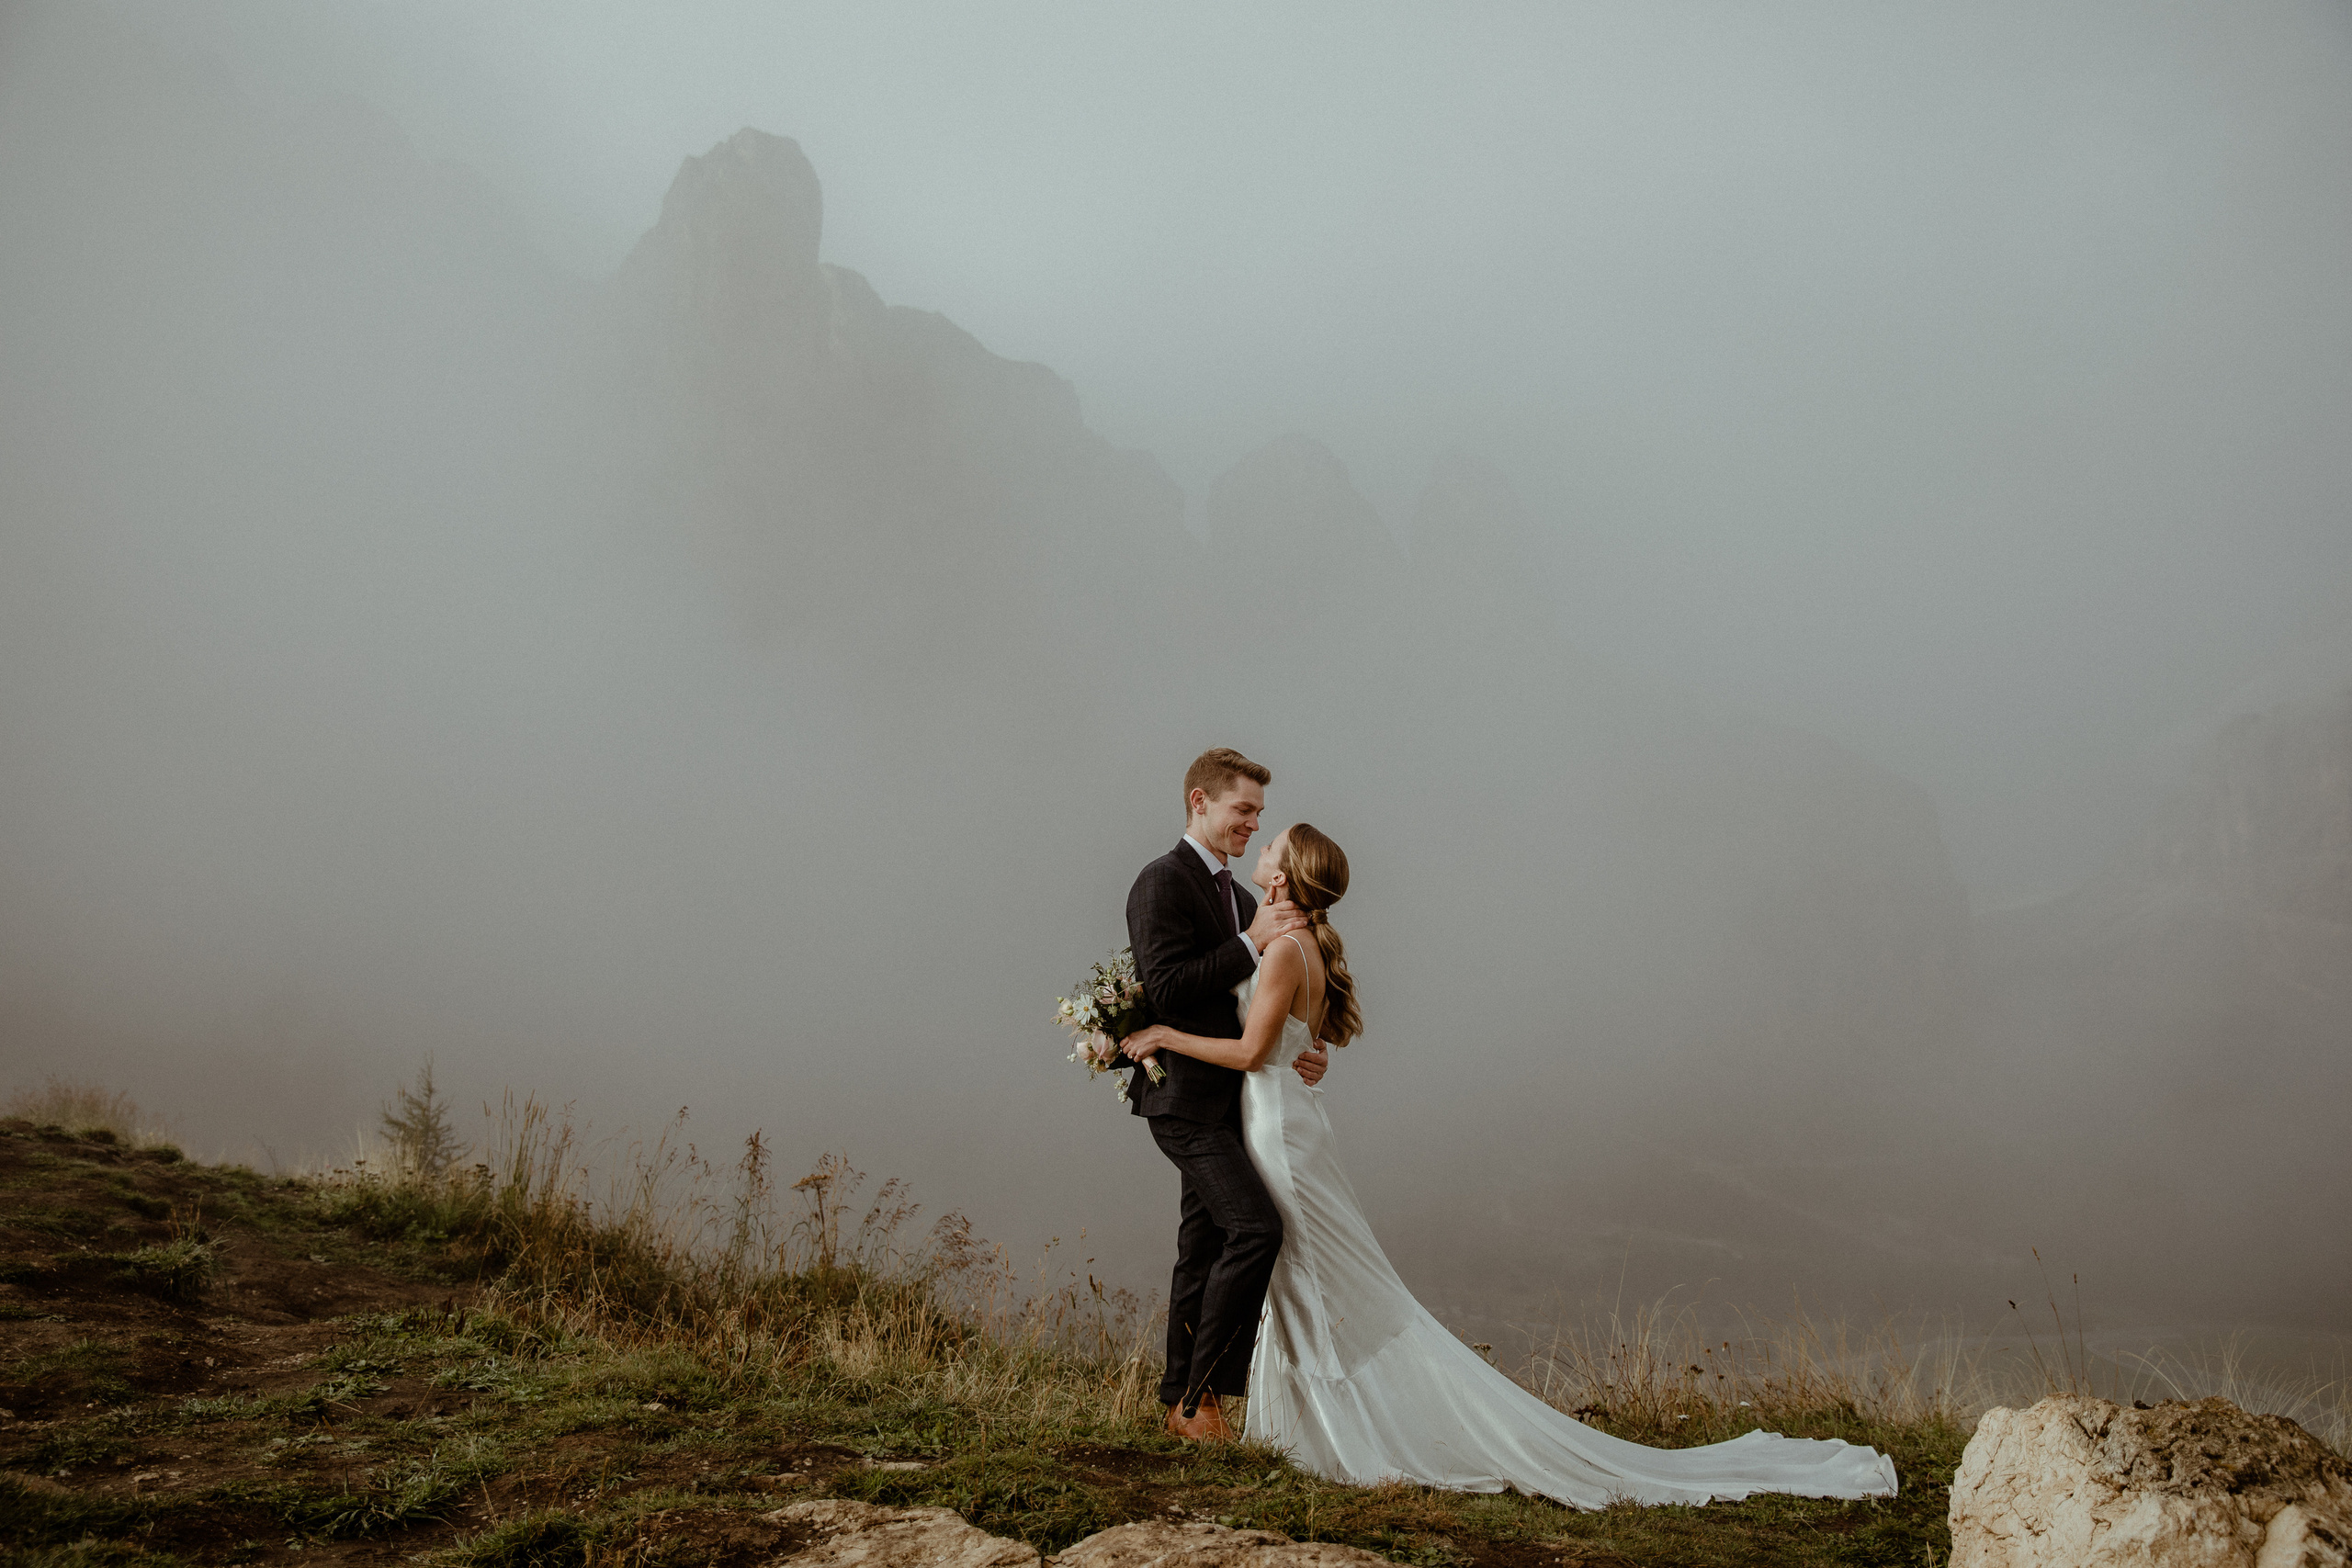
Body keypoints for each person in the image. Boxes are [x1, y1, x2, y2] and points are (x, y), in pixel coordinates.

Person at [1121, 822, 1900, 1508]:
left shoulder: (1286, 946)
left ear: (1286, 874)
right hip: (1282, 1118)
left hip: (1280, 1129)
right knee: (1302, 1272)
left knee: (1316, 1272)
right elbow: (1280, 1034)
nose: (1260, 843)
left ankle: (1327, 1424)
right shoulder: (1295, 939)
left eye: (1273, 841)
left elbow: (1257, 1049)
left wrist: (1163, 1034)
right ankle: (1266, 1416)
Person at [1125, 748, 1329, 1442]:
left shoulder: (1244, 897)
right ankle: (1202, 1398)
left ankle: (1179, 1401)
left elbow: (1259, 1007)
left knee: (1201, 1243)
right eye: (1243, 810)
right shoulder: (1161, 882)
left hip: (1238, 1101)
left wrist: (1304, 1044)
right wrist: (1247, 943)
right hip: (1181, 1100)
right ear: (1199, 801)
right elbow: (1167, 989)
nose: (1251, 824)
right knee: (1255, 1228)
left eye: (1258, 816)